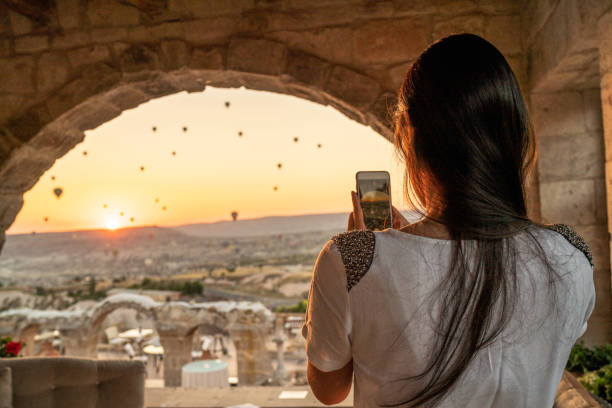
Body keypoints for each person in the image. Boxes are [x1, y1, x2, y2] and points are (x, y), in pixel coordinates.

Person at [301, 33, 595, 408]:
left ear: (407, 131)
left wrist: (369, 253)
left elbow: (329, 390)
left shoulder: (354, 260)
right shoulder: (572, 255)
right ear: (517, 136)